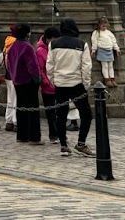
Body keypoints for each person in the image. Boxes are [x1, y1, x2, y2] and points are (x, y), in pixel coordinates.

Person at [48, 19, 96, 156]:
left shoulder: (54, 44)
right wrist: (86, 84)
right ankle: (81, 143)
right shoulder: (82, 44)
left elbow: (49, 66)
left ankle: (63, 145)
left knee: (60, 116)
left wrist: (54, 81)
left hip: (60, 84)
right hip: (77, 84)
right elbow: (86, 67)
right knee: (86, 114)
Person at [7, 24, 43, 144]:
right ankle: (34, 137)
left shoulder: (13, 47)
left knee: (21, 108)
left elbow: (9, 64)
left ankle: (22, 135)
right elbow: (33, 66)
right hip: (29, 82)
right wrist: (37, 79)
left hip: (17, 81)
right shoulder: (27, 47)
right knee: (33, 109)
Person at [91, 19, 119, 89]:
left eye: (105, 25)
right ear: (99, 25)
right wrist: (93, 50)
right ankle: (107, 79)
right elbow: (94, 41)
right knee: (105, 66)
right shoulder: (96, 32)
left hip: (109, 50)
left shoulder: (109, 32)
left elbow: (113, 41)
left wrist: (117, 49)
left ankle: (112, 79)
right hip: (102, 50)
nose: (104, 27)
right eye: (102, 25)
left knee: (110, 66)